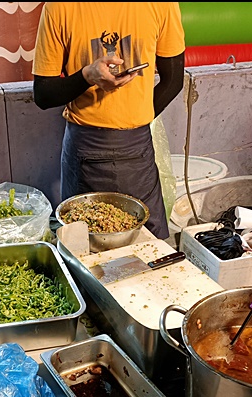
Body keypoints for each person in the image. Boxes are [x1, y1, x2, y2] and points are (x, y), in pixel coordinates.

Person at [31, 3, 185, 240]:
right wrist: (87, 75)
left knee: (146, 245)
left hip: (137, 149)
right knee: (85, 245)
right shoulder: (59, 7)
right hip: (84, 148)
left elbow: (174, 79)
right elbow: (43, 94)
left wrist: (136, 116)